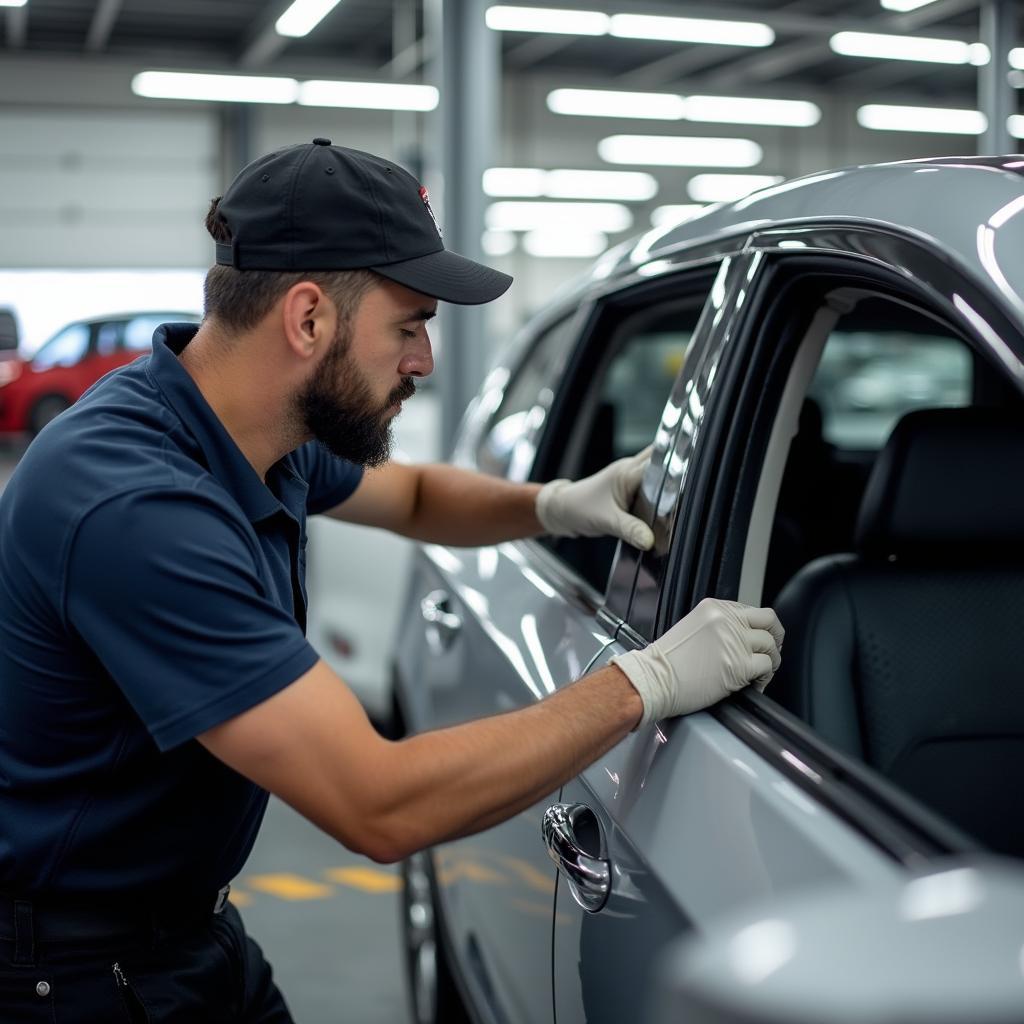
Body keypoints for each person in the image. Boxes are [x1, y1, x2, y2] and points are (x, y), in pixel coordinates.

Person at [0, 138, 783, 1022]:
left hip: (184, 933)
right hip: (67, 976)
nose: (425, 359)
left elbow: (410, 495)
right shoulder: (134, 508)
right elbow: (378, 803)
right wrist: (647, 682)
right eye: (408, 323)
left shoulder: (256, 430)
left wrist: (560, 503)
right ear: (307, 320)